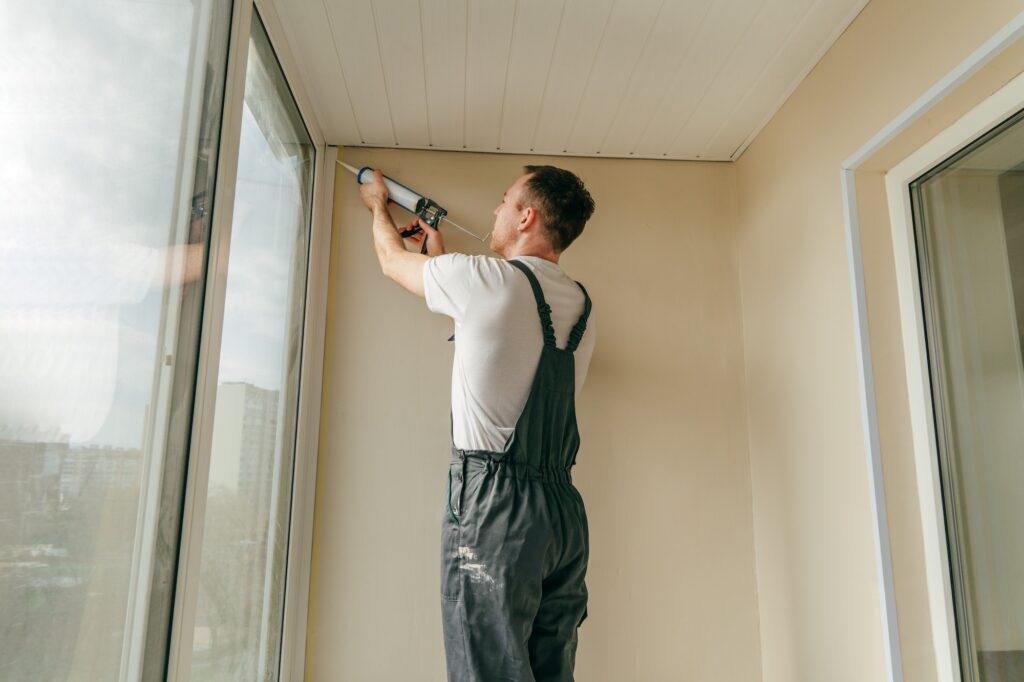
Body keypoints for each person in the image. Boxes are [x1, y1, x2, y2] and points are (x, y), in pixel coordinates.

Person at [358, 165, 597, 681]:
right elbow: (494, 339)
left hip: (496, 511)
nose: (495, 210)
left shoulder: (483, 281)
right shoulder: (581, 305)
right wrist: (442, 259)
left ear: (526, 216)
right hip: (562, 516)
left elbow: (391, 261)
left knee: (485, 670)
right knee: (551, 669)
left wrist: (377, 202)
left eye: (504, 201)